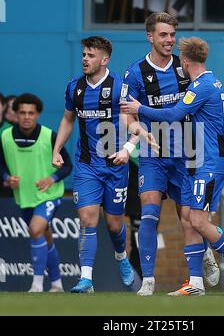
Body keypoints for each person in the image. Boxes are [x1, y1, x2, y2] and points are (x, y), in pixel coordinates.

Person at [122, 36, 224, 295]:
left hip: (208, 163)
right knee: (193, 220)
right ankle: (195, 283)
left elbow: (173, 114)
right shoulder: (213, 82)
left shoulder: (201, 85)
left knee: (198, 221)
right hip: (201, 161)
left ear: (184, 61)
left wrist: (140, 108)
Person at [122, 12, 220, 296]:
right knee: (149, 212)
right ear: (150, 37)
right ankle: (149, 280)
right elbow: (128, 116)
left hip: (187, 154)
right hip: (153, 155)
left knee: (189, 218)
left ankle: (204, 256)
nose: (169, 40)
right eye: (163, 35)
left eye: (172, 35)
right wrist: (139, 134)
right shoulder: (134, 73)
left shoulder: (185, 67)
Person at [52, 36, 156, 293]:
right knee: (88, 219)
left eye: (90, 55)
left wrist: (128, 147)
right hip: (86, 165)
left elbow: (133, 122)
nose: (85, 59)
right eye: (84, 54)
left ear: (104, 59)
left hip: (114, 165)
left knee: (113, 224)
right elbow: (68, 120)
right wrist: (57, 150)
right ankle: (86, 279)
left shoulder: (120, 86)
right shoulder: (74, 87)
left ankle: (121, 257)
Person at [0, 93, 72, 292]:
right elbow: (1, 165)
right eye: (22, 112)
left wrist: (52, 179)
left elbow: (67, 166)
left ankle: (37, 284)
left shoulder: (50, 136)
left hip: (49, 195)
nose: (26, 116)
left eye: (31, 113)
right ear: (15, 113)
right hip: (24, 197)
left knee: (35, 229)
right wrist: (6, 177)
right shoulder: (4, 137)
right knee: (45, 238)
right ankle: (57, 284)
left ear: (38, 114)